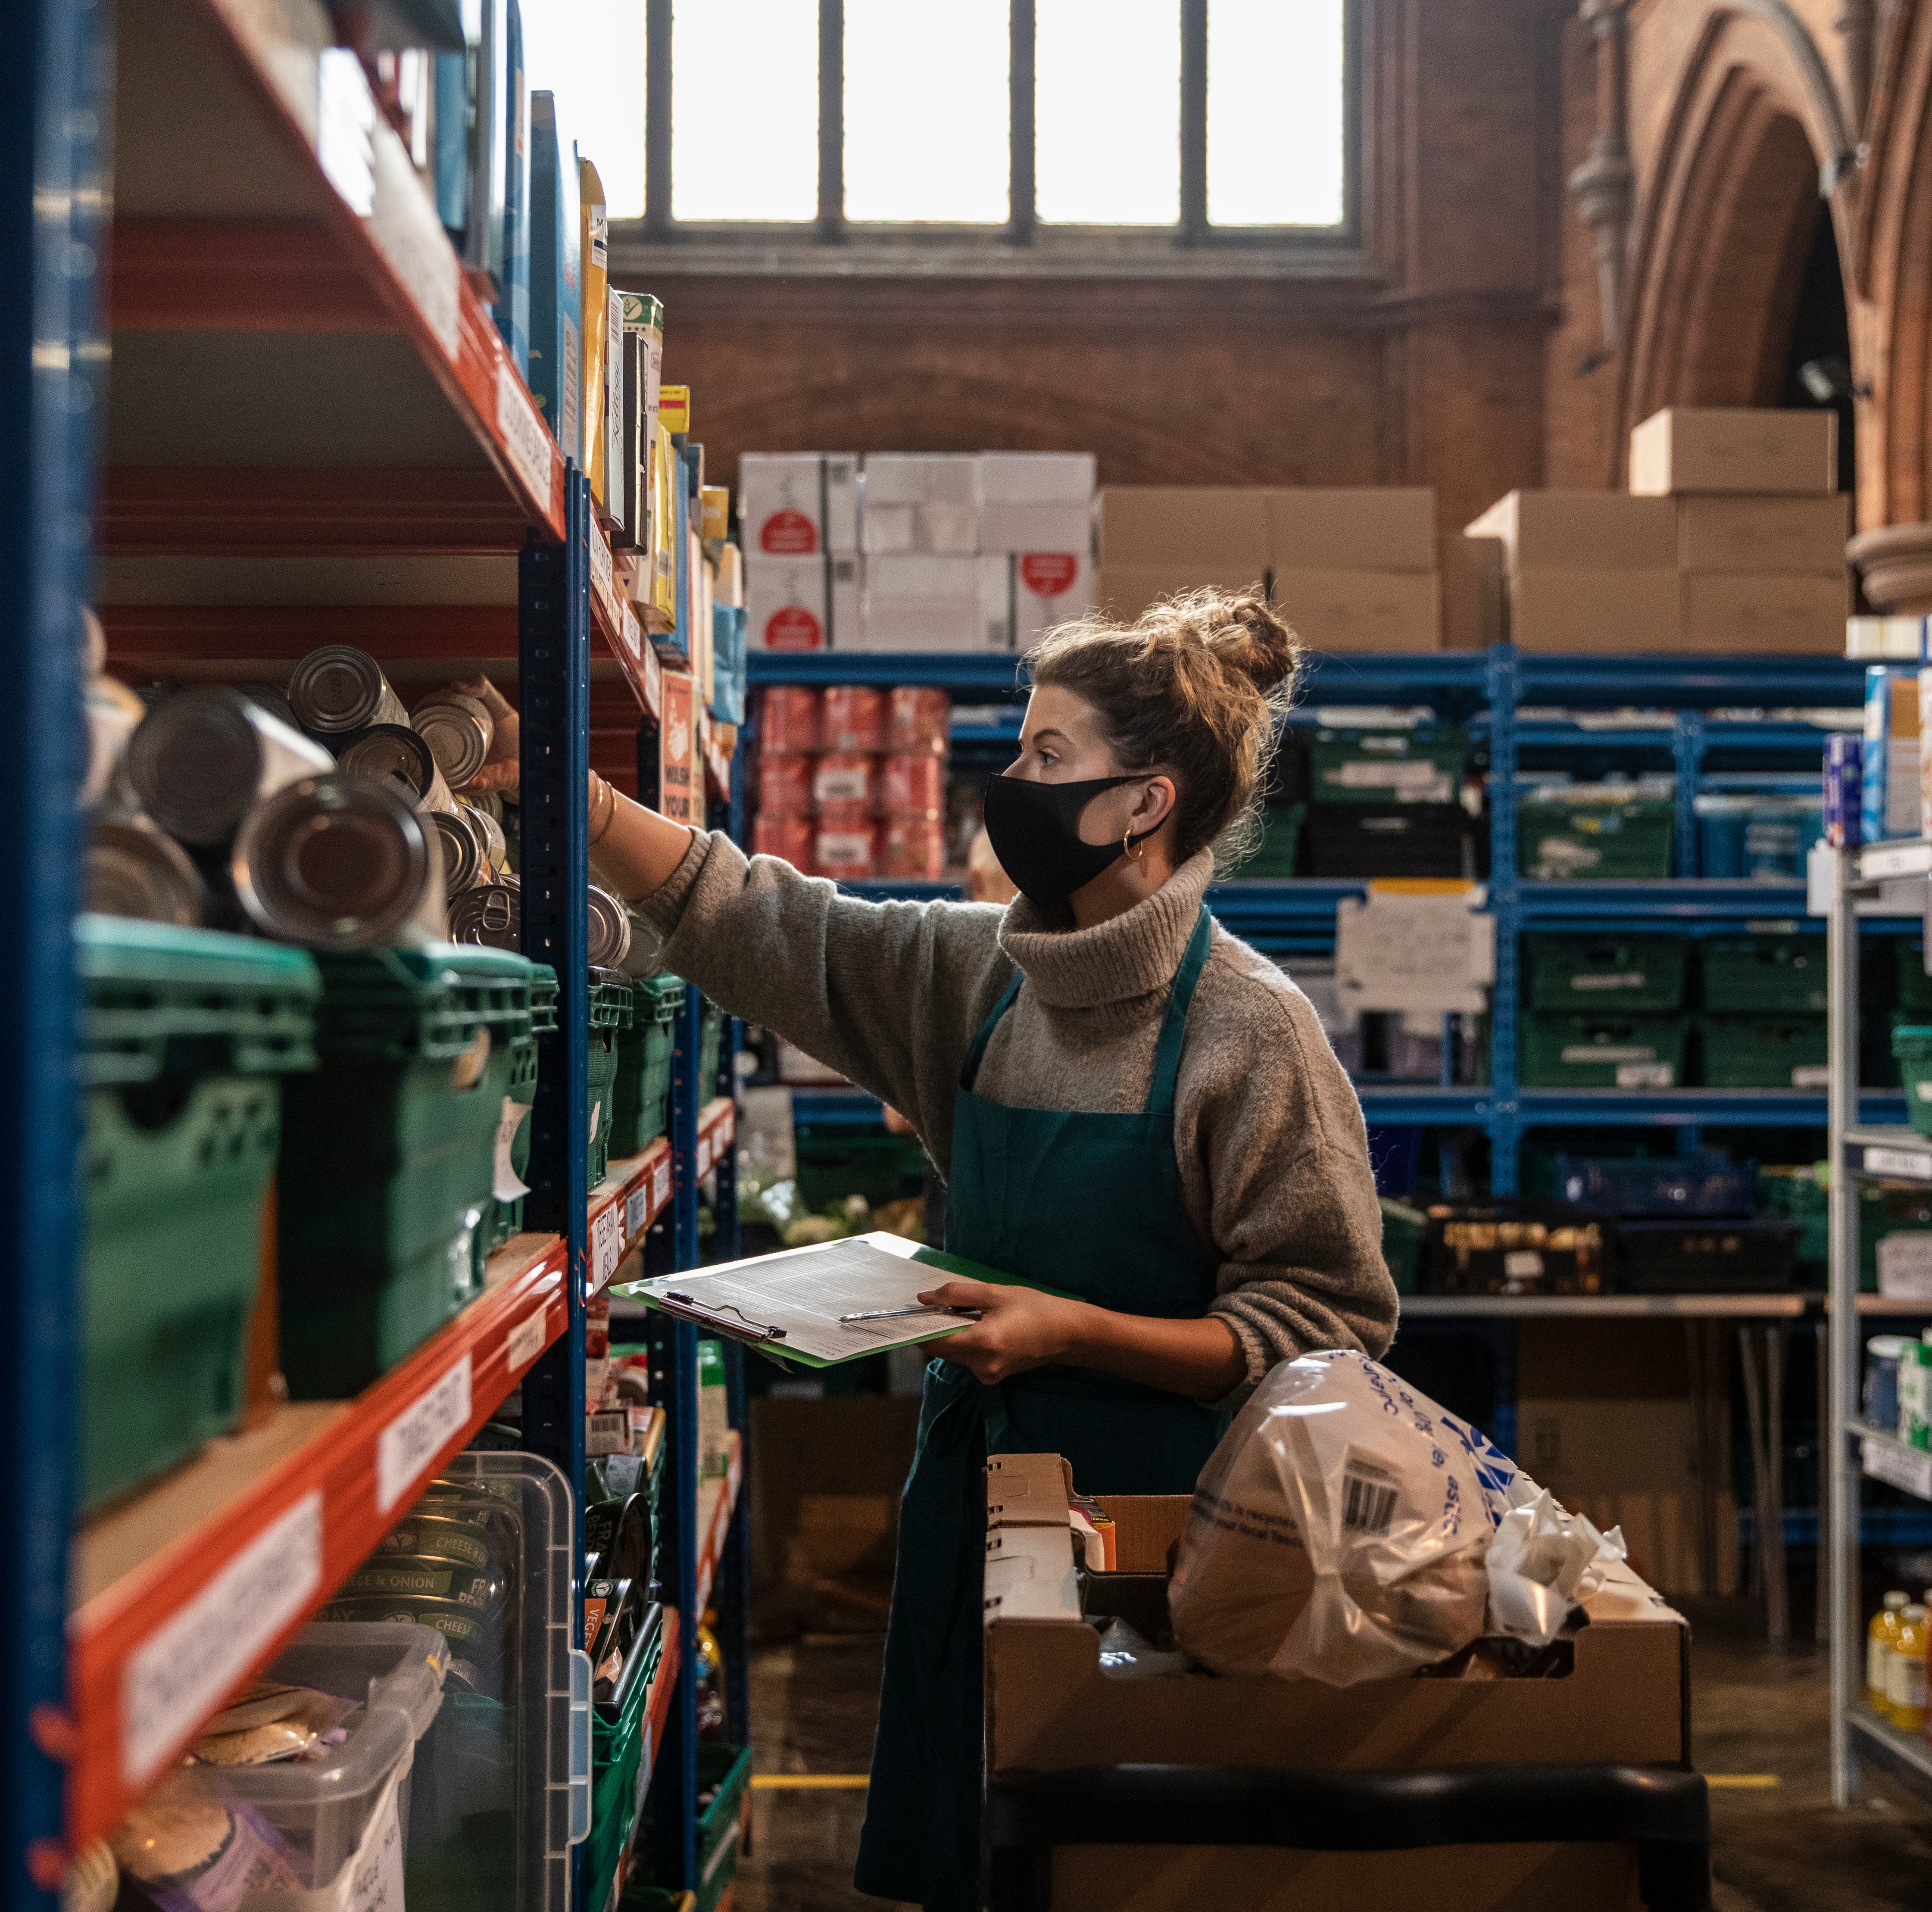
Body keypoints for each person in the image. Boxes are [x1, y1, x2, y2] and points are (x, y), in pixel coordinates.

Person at [585, 587, 1398, 1910]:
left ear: (1142, 803)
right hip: (978, 1495)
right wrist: (565, 792)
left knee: (1120, 1859)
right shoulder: (979, 975)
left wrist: (1070, 1330)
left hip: (1164, 1529)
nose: (1007, 782)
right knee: (982, 1845)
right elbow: (757, 916)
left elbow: (1328, 1325)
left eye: (1045, 756)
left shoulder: (1253, 1031)